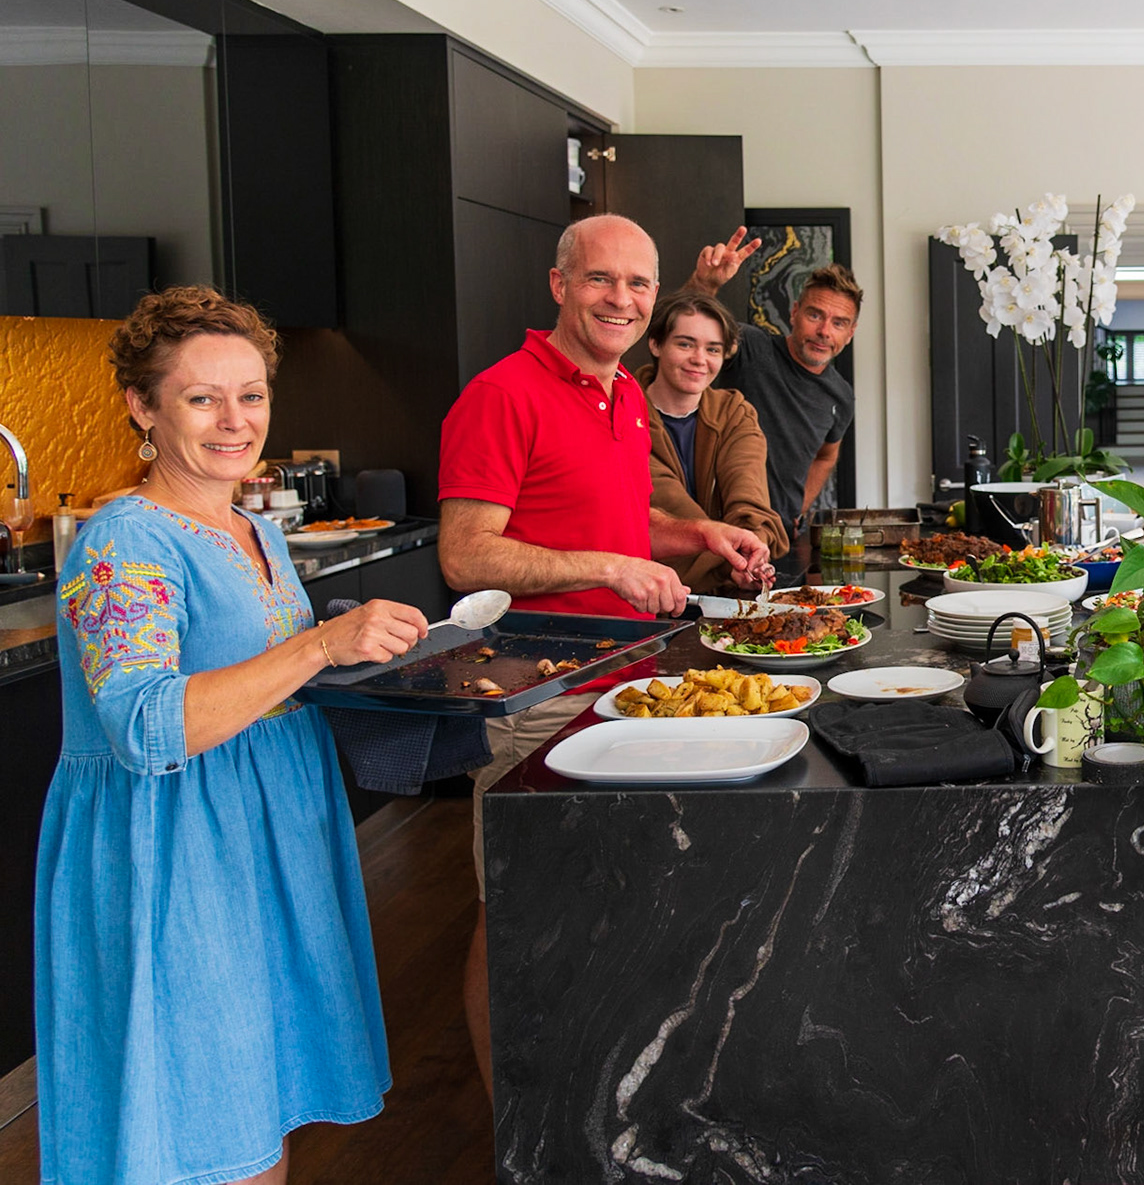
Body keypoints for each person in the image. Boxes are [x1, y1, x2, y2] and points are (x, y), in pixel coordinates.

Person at [35, 286, 429, 1185]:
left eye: (251, 395)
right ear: (143, 406)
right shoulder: (124, 542)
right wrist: (320, 644)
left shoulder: (254, 528)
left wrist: (380, 660)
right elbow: (146, 725)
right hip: (173, 855)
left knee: (256, 1109)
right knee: (201, 1132)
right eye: (202, 397)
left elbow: (267, 677)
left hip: (265, 841)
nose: (234, 420)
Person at [437, 213, 770, 1099]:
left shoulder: (623, 394)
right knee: (517, 913)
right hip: (532, 693)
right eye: (600, 278)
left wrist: (700, 533)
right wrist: (609, 567)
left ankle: (593, 1107)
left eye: (638, 283)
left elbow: (622, 520)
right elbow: (466, 554)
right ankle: (512, 1125)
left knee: (613, 903)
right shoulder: (502, 394)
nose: (620, 298)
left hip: (623, 687)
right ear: (560, 285)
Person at [695, 251, 859, 576]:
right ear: (795, 312)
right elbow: (694, 331)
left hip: (777, 538)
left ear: (850, 333)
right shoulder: (751, 347)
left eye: (838, 323)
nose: (824, 331)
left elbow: (826, 455)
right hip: (714, 529)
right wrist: (705, 285)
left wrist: (799, 506)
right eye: (815, 315)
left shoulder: (840, 396)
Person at [640, 288, 789, 589]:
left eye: (713, 349)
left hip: (724, 589)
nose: (700, 359)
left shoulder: (734, 413)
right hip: (648, 590)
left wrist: (753, 555)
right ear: (655, 344)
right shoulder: (624, 412)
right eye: (685, 344)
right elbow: (669, 510)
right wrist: (731, 563)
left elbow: (750, 498)